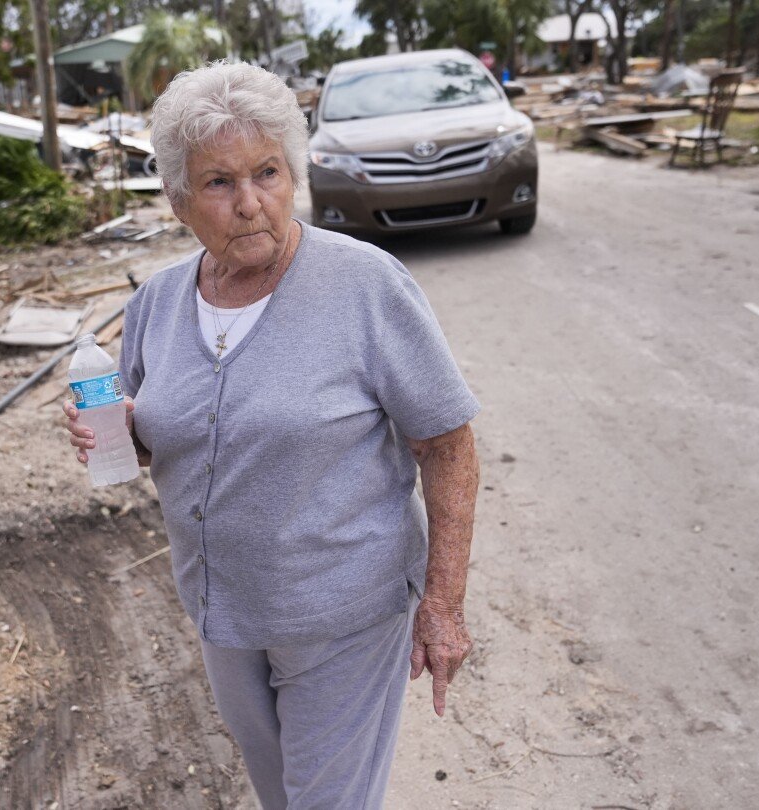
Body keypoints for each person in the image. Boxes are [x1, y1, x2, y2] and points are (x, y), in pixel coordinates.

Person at [62, 61, 481, 809]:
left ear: (296, 175)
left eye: (268, 172)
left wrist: (443, 606)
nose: (250, 203)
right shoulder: (159, 303)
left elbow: (447, 444)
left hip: (342, 614)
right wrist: (129, 432)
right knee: (281, 795)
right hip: (223, 612)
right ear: (179, 199)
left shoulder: (365, 286)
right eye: (220, 182)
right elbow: (166, 434)